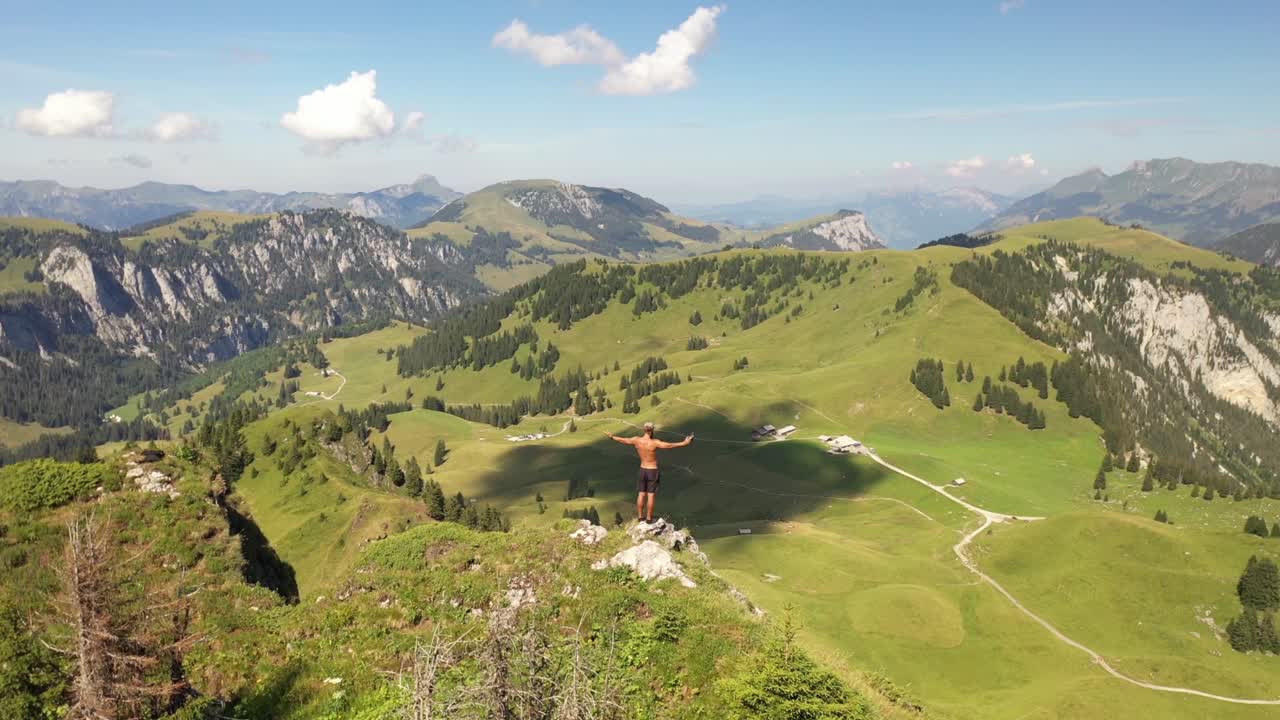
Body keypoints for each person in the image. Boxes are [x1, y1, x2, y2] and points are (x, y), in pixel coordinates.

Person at [605, 422, 693, 522]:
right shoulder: (654, 442)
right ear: (652, 430)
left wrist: (612, 437)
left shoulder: (636, 440)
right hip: (652, 470)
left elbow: (624, 440)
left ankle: (640, 517)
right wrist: (684, 443)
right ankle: (649, 518)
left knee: (641, 494)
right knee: (650, 495)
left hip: (642, 469)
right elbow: (669, 445)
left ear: (644, 430)